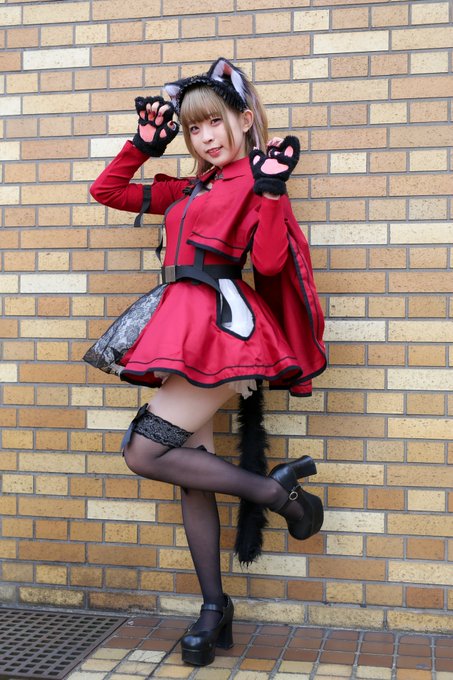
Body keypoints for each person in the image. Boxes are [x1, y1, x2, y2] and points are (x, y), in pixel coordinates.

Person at [84, 58, 326, 667]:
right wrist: (143, 145)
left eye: (215, 122)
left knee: (144, 451)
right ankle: (214, 608)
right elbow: (107, 191)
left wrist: (271, 193)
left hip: (220, 330)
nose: (206, 137)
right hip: (179, 327)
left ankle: (278, 492)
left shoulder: (255, 180)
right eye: (194, 128)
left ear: (244, 120)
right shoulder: (192, 187)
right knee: (191, 470)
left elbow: (268, 264)